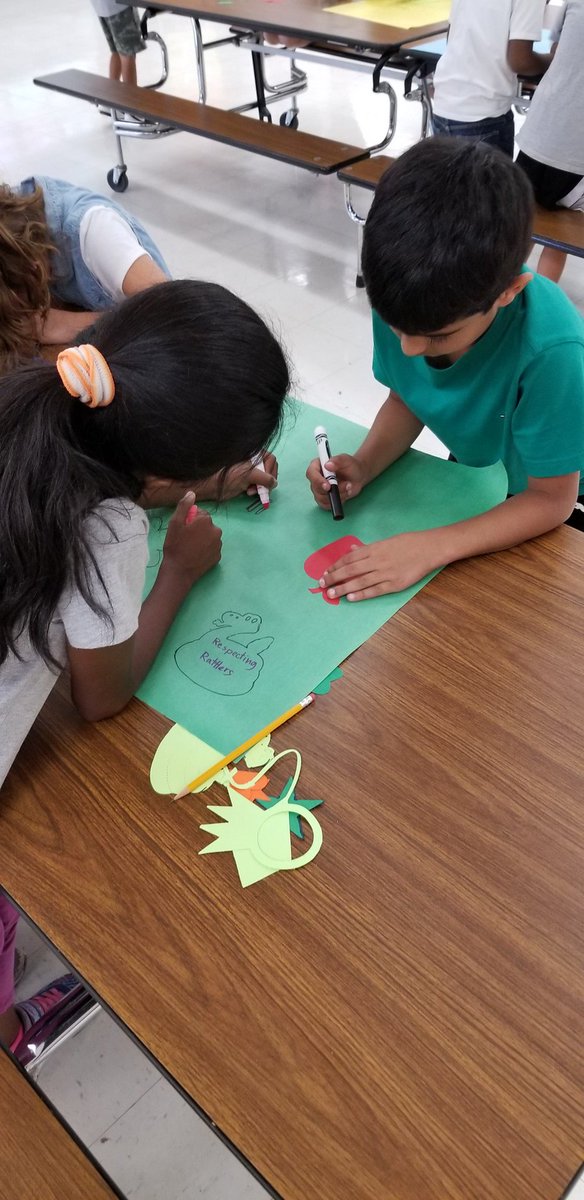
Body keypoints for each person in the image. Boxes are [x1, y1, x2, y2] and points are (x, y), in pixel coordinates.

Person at [0, 278, 289, 1054]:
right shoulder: (112, 530)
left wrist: (204, 479)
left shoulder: (29, 410)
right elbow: (102, 696)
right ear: (167, 472)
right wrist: (178, 574)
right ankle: (13, 1032)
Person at [306, 138, 584, 601]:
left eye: (437, 337)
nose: (411, 349)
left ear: (508, 292)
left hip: (555, 484)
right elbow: (407, 397)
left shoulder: (553, 350)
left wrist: (431, 547)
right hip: (486, 462)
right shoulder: (407, 298)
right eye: (396, 329)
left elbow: (550, 500)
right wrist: (365, 463)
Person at [0, 174, 170, 372]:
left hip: (158, 351)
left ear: (34, 269)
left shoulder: (98, 233)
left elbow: (174, 316)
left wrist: (64, 325)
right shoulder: (18, 231)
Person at [516, 0, 584, 283]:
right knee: (560, 233)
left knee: (523, 224)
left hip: (538, 135)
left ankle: (500, 295)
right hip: (575, 152)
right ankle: (542, 303)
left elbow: (556, 50)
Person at [432, 0, 552, 156]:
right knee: (487, 180)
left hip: (445, 105)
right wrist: (552, 60)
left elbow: (452, 36)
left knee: (447, 179)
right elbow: (520, 61)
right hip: (484, 114)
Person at [89, 0, 145, 87]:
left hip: (101, 7)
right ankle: (130, 97)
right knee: (127, 54)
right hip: (120, 7)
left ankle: (113, 94)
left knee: (116, 51)